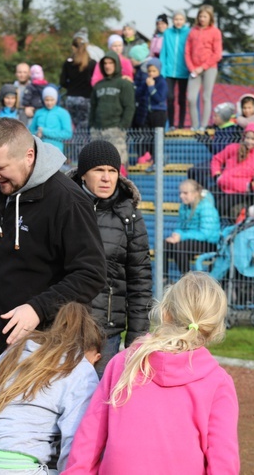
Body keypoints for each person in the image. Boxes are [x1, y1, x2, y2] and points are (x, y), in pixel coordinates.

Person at [0, 118, 106, 357]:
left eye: (0, 168)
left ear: (29, 156)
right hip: (7, 343)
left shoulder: (68, 200)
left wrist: (37, 309)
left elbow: (91, 274)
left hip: (51, 348)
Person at [63, 271, 239, 474]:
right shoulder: (218, 382)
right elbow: (223, 462)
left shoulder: (123, 362)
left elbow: (88, 439)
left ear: (165, 313)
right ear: (215, 327)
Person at [0, 302, 103, 474]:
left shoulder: (17, 349)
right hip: (10, 466)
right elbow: (76, 443)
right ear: (90, 352)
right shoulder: (81, 369)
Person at [69, 141, 152, 375]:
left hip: (106, 335)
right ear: (83, 174)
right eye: (98, 170)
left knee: (98, 405)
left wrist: (137, 339)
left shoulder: (130, 217)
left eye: (112, 171)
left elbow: (140, 283)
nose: (106, 177)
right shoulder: (63, 207)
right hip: (62, 330)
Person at [163, 179, 221, 280]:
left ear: (195, 193)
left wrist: (182, 236)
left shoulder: (206, 206)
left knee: (179, 247)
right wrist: (176, 234)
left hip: (209, 243)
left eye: (185, 193)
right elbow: (180, 226)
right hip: (191, 240)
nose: (181, 196)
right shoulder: (184, 207)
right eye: (180, 193)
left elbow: (205, 234)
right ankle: (163, 279)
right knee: (164, 244)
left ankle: (187, 280)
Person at [211, 123, 254, 218]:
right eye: (247, 138)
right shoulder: (233, 148)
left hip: (239, 192)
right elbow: (217, 159)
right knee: (205, 199)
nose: (249, 141)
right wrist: (216, 175)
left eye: (253, 139)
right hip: (222, 185)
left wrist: (252, 185)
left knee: (220, 207)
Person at [89, 51, 136, 167]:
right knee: (97, 163)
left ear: (116, 65)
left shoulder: (124, 84)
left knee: (117, 163)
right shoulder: (98, 85)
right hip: (97, 130)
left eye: (110, 63)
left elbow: (129, 107)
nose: (107, 66)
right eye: (105, 63)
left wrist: (122, 126)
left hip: (115, 129)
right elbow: (93, 107)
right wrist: (91, 126)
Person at [185, 4, 223, 131]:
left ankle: (204, 125)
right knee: (191, 97)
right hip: (194, 70)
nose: (202, 19)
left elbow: (217, 53)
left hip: (209, 68)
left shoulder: (215, 32)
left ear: (210, 18)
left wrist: (203, 67)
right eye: (200, 16)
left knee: (206, 96)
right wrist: (192, 68)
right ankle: (194, 124)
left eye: (205, 16)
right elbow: (187, 51)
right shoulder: (193, 31)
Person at [160, 9, 191, 129]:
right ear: (173, 20)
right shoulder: (168, 33)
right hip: (169, 71)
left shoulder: (189, 32)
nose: (178, 21)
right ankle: (172, 123)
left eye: (181, 19)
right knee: (170, 97)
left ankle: (182, 124)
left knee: (182, 98)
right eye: (176, 19)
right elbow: (164, 52)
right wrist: (162, 70)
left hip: (184, 71)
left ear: (184, 20)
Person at [134, 58, 168, 163]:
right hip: (146, 112)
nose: (151, 73)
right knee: (146, 135)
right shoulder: (146, 81)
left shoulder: (162, 82)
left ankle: (157, 157)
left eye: (154, 71)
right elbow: (138, 94)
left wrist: (151, 88)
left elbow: (159, 98)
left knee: (157, 136)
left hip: (159, 113)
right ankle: (146, 155)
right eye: (149, 71)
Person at [60, 36, 96, 131]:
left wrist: (71, 87)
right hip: (86, 99)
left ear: (73, 47)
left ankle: (73, 146)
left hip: (71, 98)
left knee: (72, 127)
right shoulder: (92, 63)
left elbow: (62, 82)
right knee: (84, 127)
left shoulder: (68, 63)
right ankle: (83, 145)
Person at [29, 85, 73, 153]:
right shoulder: (39, 112)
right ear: (43, 100)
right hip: (39, 149)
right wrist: (37, 134)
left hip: (55, 150)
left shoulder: (63, 113)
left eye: (52, 100)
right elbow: (31, 130)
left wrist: (45, 132)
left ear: (56, 99)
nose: (49, 103)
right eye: (47, 100)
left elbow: (67, 134)